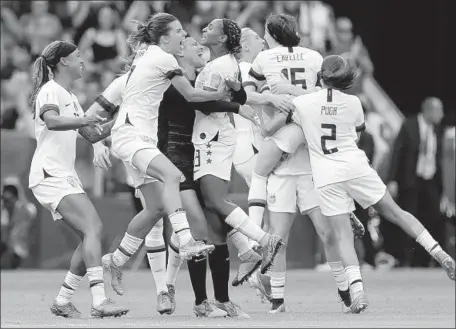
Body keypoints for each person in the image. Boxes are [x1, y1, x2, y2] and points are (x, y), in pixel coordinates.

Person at [290, 55, 456, 313]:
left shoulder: (302, 103)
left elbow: (289, 108)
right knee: (398, 213)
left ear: (321, 76)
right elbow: (357, 134)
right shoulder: (355, 102)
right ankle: (439, 253)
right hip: (355, 166)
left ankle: (357, 292)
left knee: (343, 235)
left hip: (326, 173)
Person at [101, 13, 224, 300]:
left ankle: (115, 261)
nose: (184, 35)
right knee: (172, 175)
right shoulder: (164, 58)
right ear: (164, 37)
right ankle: (185, 239)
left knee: (155, 208)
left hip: (134, 136)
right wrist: (220, 92)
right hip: (132, 135)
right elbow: (192, 95)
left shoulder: (148, 55)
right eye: (179, 31)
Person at [239, 27, 361, 315]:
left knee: (327, 233)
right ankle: (278, 301)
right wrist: (271, 102)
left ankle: (345, 294)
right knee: (278, 238)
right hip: (283, 168)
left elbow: (320, 96)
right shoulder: (266, 66)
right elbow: (253, 102)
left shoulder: (306, 80)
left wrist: (286, 95)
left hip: (308, 168)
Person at [187, 17, 284, 318]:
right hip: (216, 138)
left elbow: (205, 104)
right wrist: (238, 101)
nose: (204, 30)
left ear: (224, 39)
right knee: (215, 226)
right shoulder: (223, 64)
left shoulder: (217, 67)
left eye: (211, 29)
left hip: (210, 139)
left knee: (215, 202)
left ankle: (264, 241)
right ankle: (223, 300)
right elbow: (240, 95)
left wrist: (227, 102)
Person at [28, 40, 129, 318]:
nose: (83, 61)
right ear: (63, 62)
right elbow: (51, 120)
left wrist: (121, 119)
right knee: (93, 229)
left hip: (63, 175)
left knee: (92, 233)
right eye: (78, 56)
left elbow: (93, 134)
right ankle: (99, 301)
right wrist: (85, 120)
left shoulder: (70, 96)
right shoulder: (50, 90)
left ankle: (63, 300)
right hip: (49, 173)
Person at [386, 97, 446, 267]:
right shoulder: (409, 125)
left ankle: (425, 259)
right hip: (410, 180)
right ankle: (406, 259)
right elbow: (397, 152)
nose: (441, 115)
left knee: (433, 217)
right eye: (438, 111)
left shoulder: (438, 130)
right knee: (409, 217)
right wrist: (392, 180)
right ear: (428, 110)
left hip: (431, 181)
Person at [0, 177, 36, 269]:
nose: (8, 202)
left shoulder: (24, 211)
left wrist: (20, 195)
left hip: (19, 253)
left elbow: (31, 212)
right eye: (5, 199)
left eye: (11, 196)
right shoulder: (3, 213)